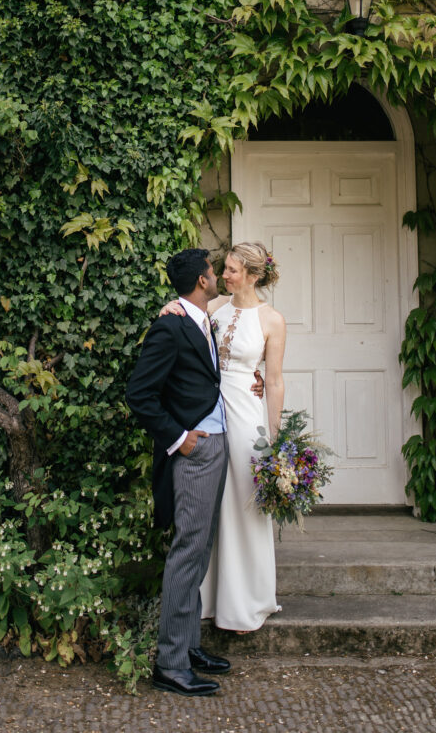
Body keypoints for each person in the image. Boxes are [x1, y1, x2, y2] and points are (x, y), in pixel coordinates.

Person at [160, 241, 286, 633]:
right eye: (224, 269)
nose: (224, 275)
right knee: (211, 509)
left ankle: (246, 602)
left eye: (232, 270)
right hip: (210, 413)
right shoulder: (213, 308)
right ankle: (208, 601)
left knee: (244, 508)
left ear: (253, 275)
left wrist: (276, 439)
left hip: (247, 419)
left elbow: (276, 380)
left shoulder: (272, 321)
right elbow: (185, 326)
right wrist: (168, 307)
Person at [125, 248, 232, 697]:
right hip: (194, 451)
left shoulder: (201, 316)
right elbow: (139, 394)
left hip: (218, 445)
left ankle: (189, 647)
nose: (217, 273)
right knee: (187, 550)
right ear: (202, 281)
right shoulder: (170, 325)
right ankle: (169, 664)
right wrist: (178, 438)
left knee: (200, 546)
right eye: (213, 269)